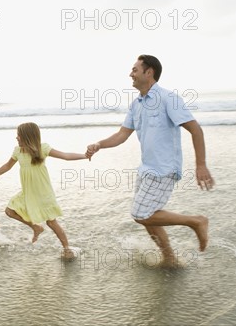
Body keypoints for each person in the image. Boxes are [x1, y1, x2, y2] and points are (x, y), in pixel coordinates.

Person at [86, 54, 212, 267]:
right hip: (146, 168)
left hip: (164, 168)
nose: (130, 74)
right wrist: (99, 144)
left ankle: (195, 221)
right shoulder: (136, 104)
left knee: (141, 214)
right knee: (149, 217)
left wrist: (201, 164)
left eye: (135, 70)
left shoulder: (168, 99)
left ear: (149, 72)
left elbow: (195, 129)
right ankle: (169, 257)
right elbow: (122, 134)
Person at [0, 122, 87, 258]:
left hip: (43, 193)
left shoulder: (42, 149)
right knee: (9, 211)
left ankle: (67, 248)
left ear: (27, 137)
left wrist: (85, 156)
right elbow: (7, 166)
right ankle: (35, 227)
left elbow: (65, 156)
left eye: (19, 136)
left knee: (51, 222)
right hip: (28, 193)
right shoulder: (18, 151)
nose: (16, 138)